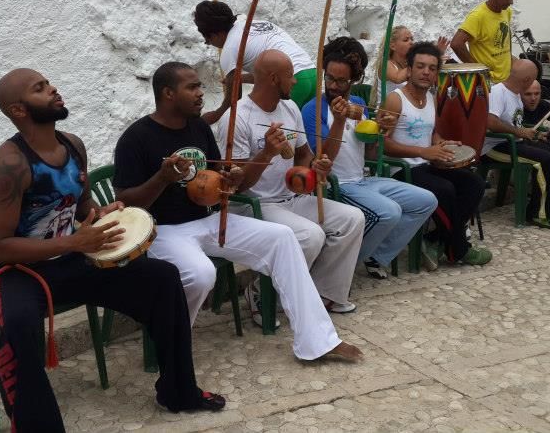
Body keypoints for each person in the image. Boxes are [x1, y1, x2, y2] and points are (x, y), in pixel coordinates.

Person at [0, 68, 225, 431]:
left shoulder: (72, 146)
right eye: (40, 89)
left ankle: (179, 391)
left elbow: (80, 209)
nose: (53, 89)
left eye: (50, 82)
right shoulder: (10, 165)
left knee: (163, 278)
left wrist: (100, 216)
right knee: (16, 324)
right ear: (18, 110)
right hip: (20, 272)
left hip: (70, 259)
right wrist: (74, 241)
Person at [113, 62, 363, 361]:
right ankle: (171, 343)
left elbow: (221, 178)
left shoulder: (198, 128)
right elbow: (127, 202)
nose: (200, 93)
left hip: (209, 219)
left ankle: (318, 341)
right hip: (163, 230)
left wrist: (230, 181)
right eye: (192, 87)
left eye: (199, 86)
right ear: (168, 93)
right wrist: (162, 178)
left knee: (283, 238)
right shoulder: (136, 138)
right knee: (202, 273)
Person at [217, 49, 365, 314]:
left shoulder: (290, 108)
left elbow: (303, 154)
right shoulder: (237, 118)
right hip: (255, 205)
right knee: (310, 236)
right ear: (274, 79)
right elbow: (236, 185)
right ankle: (261, 292)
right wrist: (266, 153)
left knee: (352, 219)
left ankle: (324, 293)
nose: (296, 82)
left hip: (291, 198)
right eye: (290, 76)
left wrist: (314, 169)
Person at [303, 37, 437, 280]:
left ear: (354, 80)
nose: (333, 85)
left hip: (362, 179)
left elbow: (371, 154)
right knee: (389, 212)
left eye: (341, 80)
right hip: (336, 184)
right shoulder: (314, 109)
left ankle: (376, 255)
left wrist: (382, 132)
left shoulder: (359, 103)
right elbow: (323, 159)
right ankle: (338, 266)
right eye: (329, 78)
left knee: (426, 200)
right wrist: (340, 120)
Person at [380, 42, 493, 265]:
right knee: (445, 189)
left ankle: (434, 239)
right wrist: (424, 151)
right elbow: (381, 144)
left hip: (426, 164)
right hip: (402, 169)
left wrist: (442, 145)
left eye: (432, 68)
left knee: (474, 183)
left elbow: (431, 133)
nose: (426, 72)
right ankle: (460, 250)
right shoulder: (395, 99)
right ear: (409, 69)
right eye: (420, 66)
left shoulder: (431, 98)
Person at [481, 59, 550, 229]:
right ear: (526, 80)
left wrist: (534, 133)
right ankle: (537, 213)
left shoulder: (515, 95)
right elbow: (490, 122)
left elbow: (516, 125)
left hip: (514, 142)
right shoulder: (499, 92)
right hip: (494, 146)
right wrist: (520, 132)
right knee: (544, 159)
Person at [194, 0, 318, 118]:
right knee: (302, 131)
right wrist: (240, 78)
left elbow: (234, 100)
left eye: (208, 40)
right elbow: (269, 76)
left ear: (216, 34)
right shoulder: (254, 24)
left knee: (278, 131)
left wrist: (216, 115)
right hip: (313, 75)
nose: (210, 43)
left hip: (292, 82)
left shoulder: (229, 49)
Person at [451, 0, 517, 84]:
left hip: (506, 79)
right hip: (489, 82)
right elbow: (456, 44)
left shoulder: (506, 11)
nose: (511, 2)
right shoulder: (477, 16)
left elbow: (503, 43)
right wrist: (479, 71)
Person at [370, 26, 449, 107]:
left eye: (412, 39)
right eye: (406, 40)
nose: (411, 42)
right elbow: (398, 78)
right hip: (387, 113)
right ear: (392, 46)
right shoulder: (386, 64)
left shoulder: (410, 66)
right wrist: (424, 61)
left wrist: (434, 57)